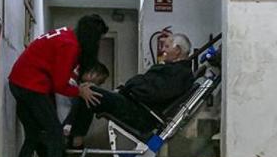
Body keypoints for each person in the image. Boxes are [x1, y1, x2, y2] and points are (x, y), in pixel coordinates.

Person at [8, 15, 108, 157]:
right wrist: (80, 91)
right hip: (31, 85)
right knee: (55, 133)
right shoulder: (70, 46)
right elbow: (60, 84)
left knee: (33, 136)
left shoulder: (65, 34)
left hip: (17, 82)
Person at [66, 33, 195, 145]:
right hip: (135, 105)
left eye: (166, 47)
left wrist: (131, 85)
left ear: (177, 50)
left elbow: (151, 92)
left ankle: (75, 138)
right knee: (86, 89)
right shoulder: (175, 71)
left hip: (140, 113)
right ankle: (75, 135)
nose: (162, 50)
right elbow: (149, 87)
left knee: (88, 92)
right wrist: (130, 87)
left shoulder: (179, 73)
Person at [27, 63, 110, 157]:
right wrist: (72, 130)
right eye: (100, 80)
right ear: (92, 74)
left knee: (55, 152)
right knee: (51, 150)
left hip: (55, 119)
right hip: (52, 120)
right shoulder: (70, 80)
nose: (100, 84)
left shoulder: (74, 80)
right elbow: (65, 106)